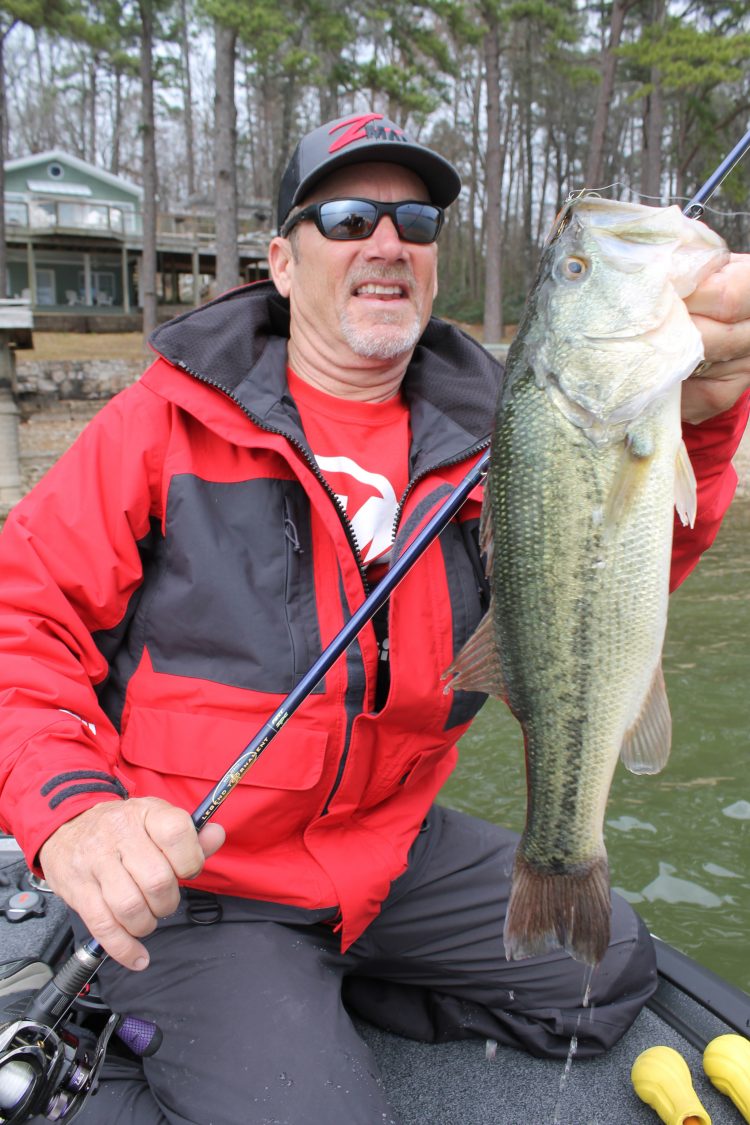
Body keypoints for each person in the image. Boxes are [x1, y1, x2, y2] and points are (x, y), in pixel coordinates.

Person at [0, 112, 748, 1125]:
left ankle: (311, 992)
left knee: (608, 969)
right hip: (207, 883)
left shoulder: (504, 430)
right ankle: (188, 1017)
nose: (387, 242)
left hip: (386, 854)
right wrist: (75, 812)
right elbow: (21, 619)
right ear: (279, 257)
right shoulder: (160, 423)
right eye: (347, 216)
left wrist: (698, 427)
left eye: (417, 221)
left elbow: (601, 596)